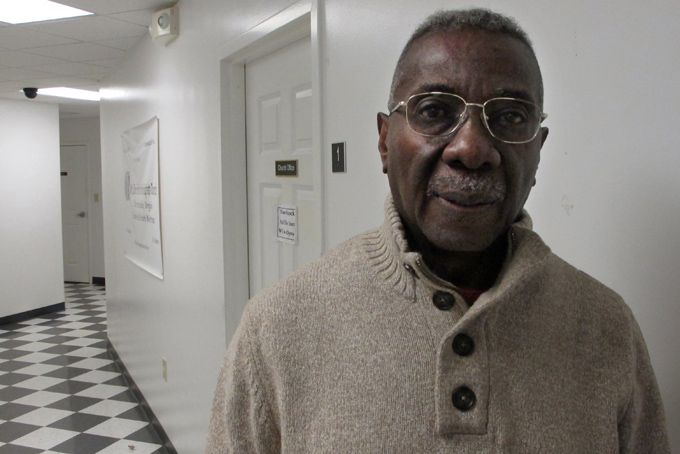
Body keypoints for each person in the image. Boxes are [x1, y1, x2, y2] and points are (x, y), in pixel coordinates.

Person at [206, 8, 669, 453]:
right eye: (434, 111)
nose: (471, 148)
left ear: (538, 150)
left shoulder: (607, 329)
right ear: (385, 140)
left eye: (509, 117)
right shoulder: (277, 327)